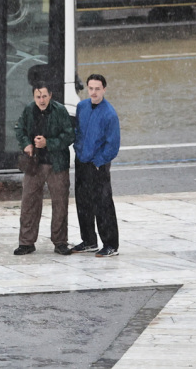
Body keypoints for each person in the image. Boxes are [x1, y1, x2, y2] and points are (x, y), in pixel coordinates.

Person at [13, 82, 75, 256]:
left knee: (60, 204)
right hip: (35, 164)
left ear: (50, 95)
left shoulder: (60, 111)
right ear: (34, 97)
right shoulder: (29, 110)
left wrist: (49, 143)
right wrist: (26, 144)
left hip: (57, 165)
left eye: (44, 96)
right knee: (29, 203)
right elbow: (19, 129)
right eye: (38, 97)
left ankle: (60, 242)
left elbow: (69, 135)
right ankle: (26, 242)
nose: (41, 100)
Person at [71, 74, 121, 257]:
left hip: (97, 165)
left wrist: (99, 161)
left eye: (97, 89)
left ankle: (111, 244)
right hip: (82, 162)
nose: (93, 92)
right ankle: (89, 240)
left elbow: (113, 145)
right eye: (91, 88)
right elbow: (78, 132)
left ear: (104, 90)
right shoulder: (81, 107)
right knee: (83, 202)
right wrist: (78, 150)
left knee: (103, 204)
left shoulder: (109, 114)